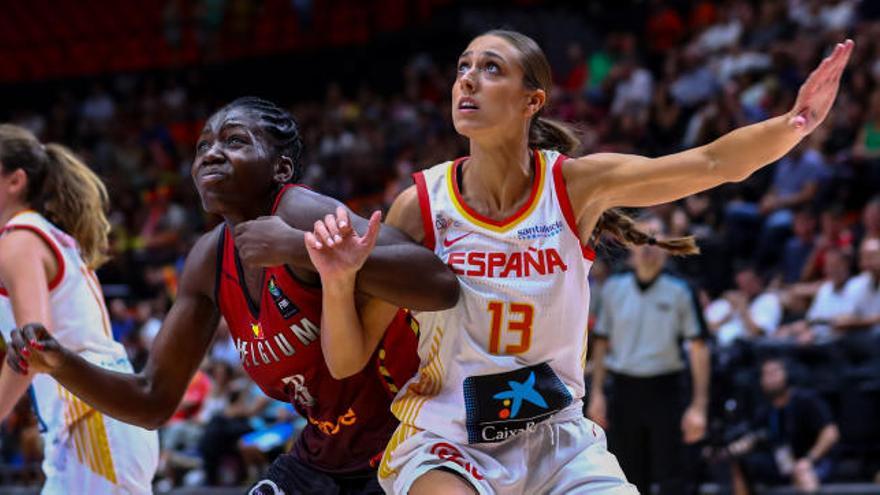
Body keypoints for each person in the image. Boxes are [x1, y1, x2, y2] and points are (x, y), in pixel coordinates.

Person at [291, 31, 853, 494]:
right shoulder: (420, 206)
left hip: (556, 435)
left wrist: (796, 123)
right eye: (463, 66)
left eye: (490, 68)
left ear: (532, 100)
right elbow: (345, 361)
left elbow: (708, 162)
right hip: (449, 440)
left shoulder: (573, 187)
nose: (466, 78)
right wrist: (339, 282)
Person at [6, 97, 460, 495]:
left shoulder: (298, 210)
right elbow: (151, 400)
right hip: (326, 455)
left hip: (405, 441)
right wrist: (61, 364)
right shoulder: (207, 260)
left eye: (235, 141)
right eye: (202, 145)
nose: (211, 154)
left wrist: (298, 246)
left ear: (280, 169)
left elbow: (437, 283)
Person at [0, 124, 158, 494]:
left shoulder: (19, 240)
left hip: (91, 414)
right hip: (105, 407)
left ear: (15, 181)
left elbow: (34, 347)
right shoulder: (40, 234)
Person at [588, 216, 711, 495]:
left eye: (654, 238)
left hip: (666, 390)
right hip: (623, 390)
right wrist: (596, 394)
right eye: (640, 238)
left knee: (674, 478)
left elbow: (699, 349)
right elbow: (602, 344)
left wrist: (698, 406)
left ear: (666, 244)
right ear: (629, 245)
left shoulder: (682, 289)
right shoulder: (612, 288)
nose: (647, 246)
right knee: (626, 477)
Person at [728, 358, 839, 494]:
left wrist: (809, 460)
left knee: (803, 473)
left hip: (814, 459)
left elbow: (830, 433)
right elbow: (754, 435)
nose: (770, 378)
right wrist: (738, 447)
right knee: (740, 463)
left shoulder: (806, 400)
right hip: (784, 461)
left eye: (774, 373)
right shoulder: (765, 410)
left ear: (787, 374)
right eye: (766, 374)